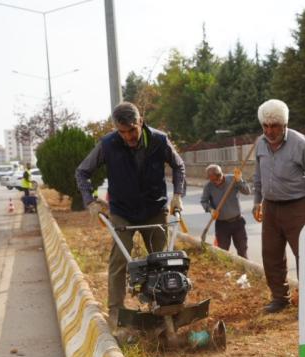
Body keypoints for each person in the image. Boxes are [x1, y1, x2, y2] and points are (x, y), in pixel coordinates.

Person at [76, 101, 186, 326]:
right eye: (122, 132)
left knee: (164, 260)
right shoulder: (108, 144)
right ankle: (116, 311)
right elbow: (82, 172)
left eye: (132, 130)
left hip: (155, 209)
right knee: (119, 260)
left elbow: (179, 165)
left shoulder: (159, 140)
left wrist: (178, 195)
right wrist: (90, 201)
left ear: (141, 123)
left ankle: (166, 303)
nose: (127, 136)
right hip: (123, 211)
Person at [252, 99, 305, 313]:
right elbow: (258, 175)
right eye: (265, 126)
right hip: (271, 208)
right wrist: (258, 200)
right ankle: (279, 298)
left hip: (297, 207)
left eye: (274, 126)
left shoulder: (300, 143)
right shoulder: (260, 143)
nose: (269, 130)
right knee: (271, 254)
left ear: (284, 124)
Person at [201, 164, 250, 258]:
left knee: (242, 251)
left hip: (238, 222)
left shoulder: (233, 179)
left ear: (221, 175)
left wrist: (239, 180)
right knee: (223, 254)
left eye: (216, 180)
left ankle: (245, 272)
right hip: (222, 225)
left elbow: (247, 191)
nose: (215, 182)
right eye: (212, 180)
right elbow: (204, 201)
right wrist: (211, 210)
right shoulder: (208, 186)